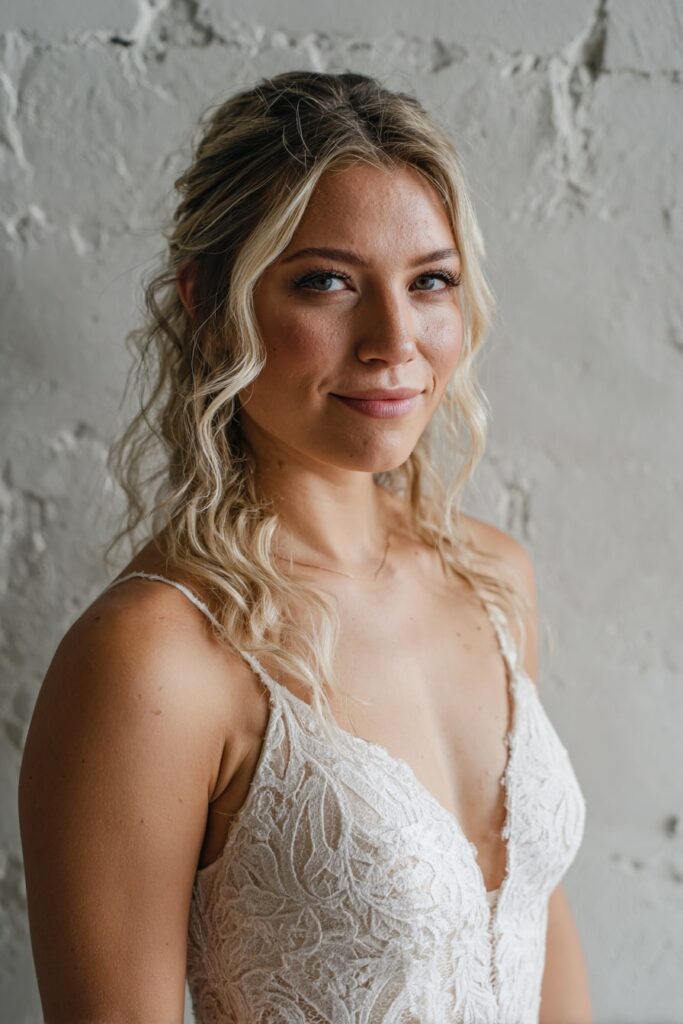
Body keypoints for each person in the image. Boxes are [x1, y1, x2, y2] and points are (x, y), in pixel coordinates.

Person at [18, 70, 591, 1023]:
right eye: (325, 282)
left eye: (430, 281)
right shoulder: (152, 660)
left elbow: (538, 926)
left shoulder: (493, 579)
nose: (393, 340)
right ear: (210, 306)